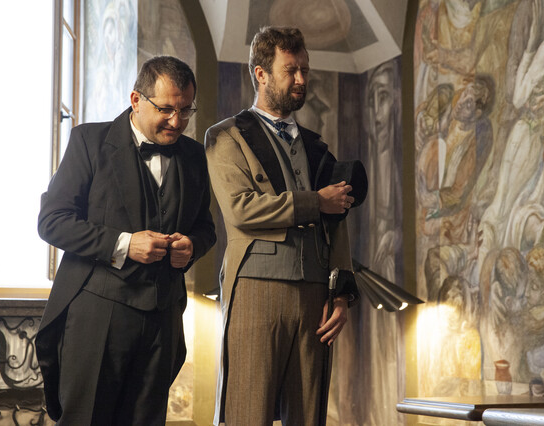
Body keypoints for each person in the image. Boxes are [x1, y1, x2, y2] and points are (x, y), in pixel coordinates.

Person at [36, 56, 216, 425]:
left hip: (164, 320)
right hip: (98, 313)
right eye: (166, 109)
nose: (177, 121)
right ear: (136, 100)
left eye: (185, 110)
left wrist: (192, 247)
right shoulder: (89, 140)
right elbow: (52, 222)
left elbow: (206, 227)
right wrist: (124, 244)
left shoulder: (195, 155)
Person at [205, 26, 359, 426]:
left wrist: (341, 294)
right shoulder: (226, 137)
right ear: (261, 74)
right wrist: (315, 201)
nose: (302, 79)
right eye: (291, 70)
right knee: (248, 413)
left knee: (309, 416)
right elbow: (241, 210)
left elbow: (337, 219)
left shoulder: (316, 146)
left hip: (316, 294)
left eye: (305, 69)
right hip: (256, 288)